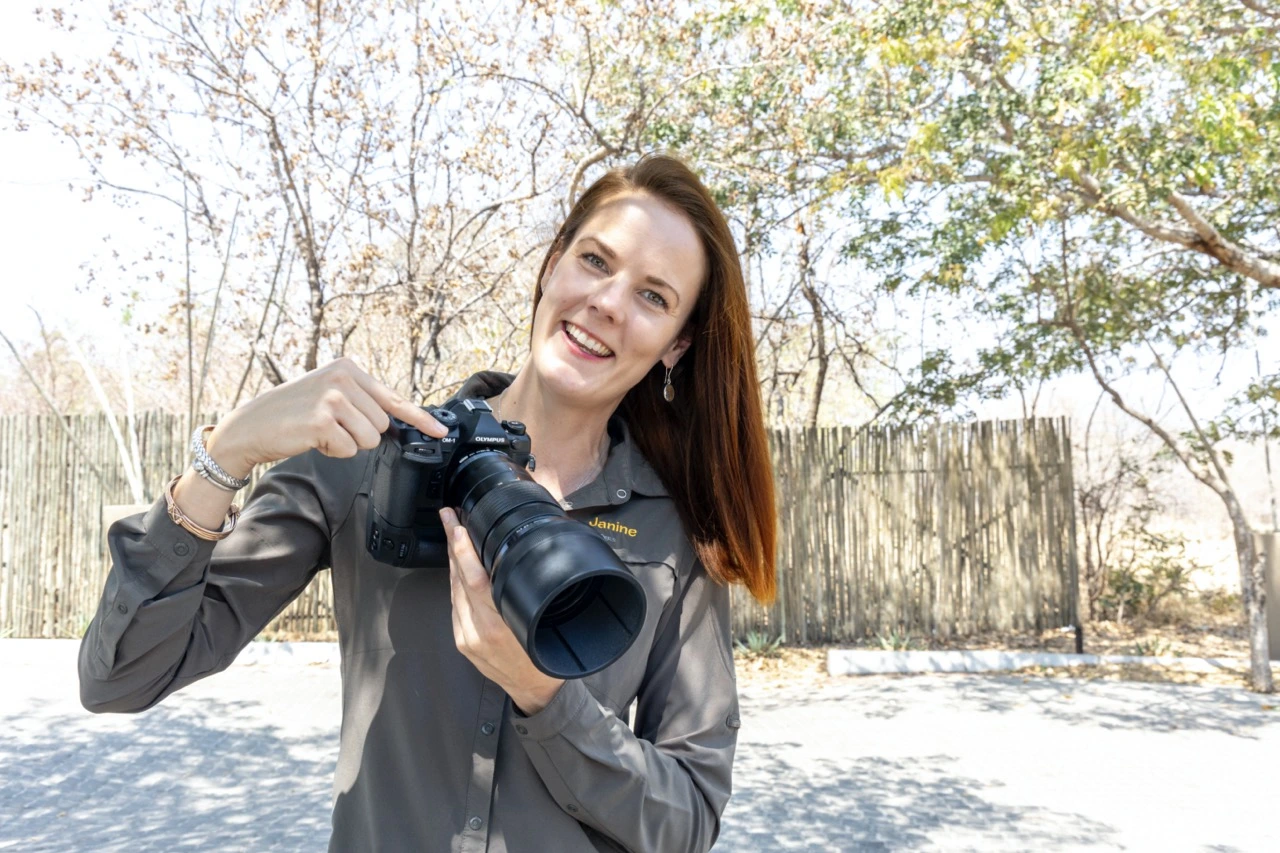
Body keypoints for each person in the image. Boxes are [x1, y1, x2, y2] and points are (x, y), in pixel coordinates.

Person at [79, 154, 777, 853]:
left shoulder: (671, 532)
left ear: (676, 344)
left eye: (654, 296)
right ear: (552, 262)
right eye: (595, 261)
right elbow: (121, 676)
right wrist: (226, 453)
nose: (609, 303)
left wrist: (546, 695)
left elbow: (686, 819)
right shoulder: (369, 458)